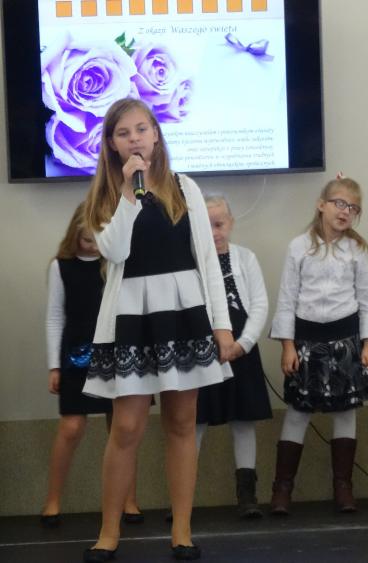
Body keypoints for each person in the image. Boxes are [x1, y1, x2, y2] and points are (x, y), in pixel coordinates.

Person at [81, 98, 233, 562]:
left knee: (182, 423)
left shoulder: (185, 186)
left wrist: (221, 326)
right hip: (131, 316)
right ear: (111, 143)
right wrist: (130, 195)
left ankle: (181, 531)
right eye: (124, 132)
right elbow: (115, 251)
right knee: (126, 426)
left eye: (142, 129)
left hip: (183, 312)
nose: (135, 139)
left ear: (156, 134)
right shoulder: (105, 195)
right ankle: (109, 532)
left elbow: (207, 259)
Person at [269, 176, 368, 514]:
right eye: (339, 203)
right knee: (298, 411)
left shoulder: (357, 250)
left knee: (345, 412)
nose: (345, 211)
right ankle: (282, 488)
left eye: (353, 208)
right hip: (306, 341)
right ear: (322, 205)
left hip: (345, 340)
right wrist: (288, 346)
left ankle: (343, 486)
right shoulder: (298, 246)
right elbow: (287, 299)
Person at [42, 203, 143, 528]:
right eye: (87, 240)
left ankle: (128, 499)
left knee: (123, 428)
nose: (94, 247)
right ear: (75, 235)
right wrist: (54, 366)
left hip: (117, 348)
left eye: (99, 240)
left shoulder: (116, 263)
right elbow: (55, 317)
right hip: (77, 354)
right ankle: (52, 500)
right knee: (71, 427)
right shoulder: (61, 266)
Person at [195, 194, 272, 518]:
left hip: (241, 350)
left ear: (231, 223)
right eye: (207, 226)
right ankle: (183, 498)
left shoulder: (245, 258)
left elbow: (260, 304)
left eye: (219, 224)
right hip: (204, 352)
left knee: (243, 421)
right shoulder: (193, 260)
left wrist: (244, 343)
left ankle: (247, 496)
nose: (215, 232)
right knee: (194, 421)